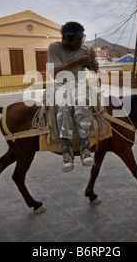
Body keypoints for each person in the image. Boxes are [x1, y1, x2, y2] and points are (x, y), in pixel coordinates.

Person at [48, 21, 97, 172]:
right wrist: (78, 61)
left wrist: (93, 60)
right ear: (67, 39)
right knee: (63, 105)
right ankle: (66, 149)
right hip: (61, 83)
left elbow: (94, 70)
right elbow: (54, 73)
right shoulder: (54, 47)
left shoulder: (84, 49)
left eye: (82, 38)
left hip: (80, 83)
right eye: (78, 39)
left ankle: (85, 146)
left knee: (81, 103)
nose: (81, 42)